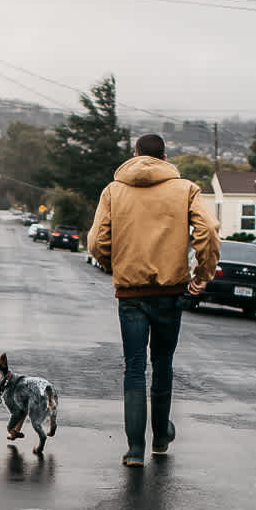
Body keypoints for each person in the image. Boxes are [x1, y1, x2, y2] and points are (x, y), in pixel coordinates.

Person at [87, 134, 221, 467]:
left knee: (134, 368)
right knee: (162, 364)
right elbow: (208, 231)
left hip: (131, 294)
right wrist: (202, 275)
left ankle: (135, 450)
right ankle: (160, 437)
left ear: (135, 155)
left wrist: (113, 265)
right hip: (170, 293)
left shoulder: (113, 191)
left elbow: (96, 242)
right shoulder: (185, 189)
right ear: (164, 157)